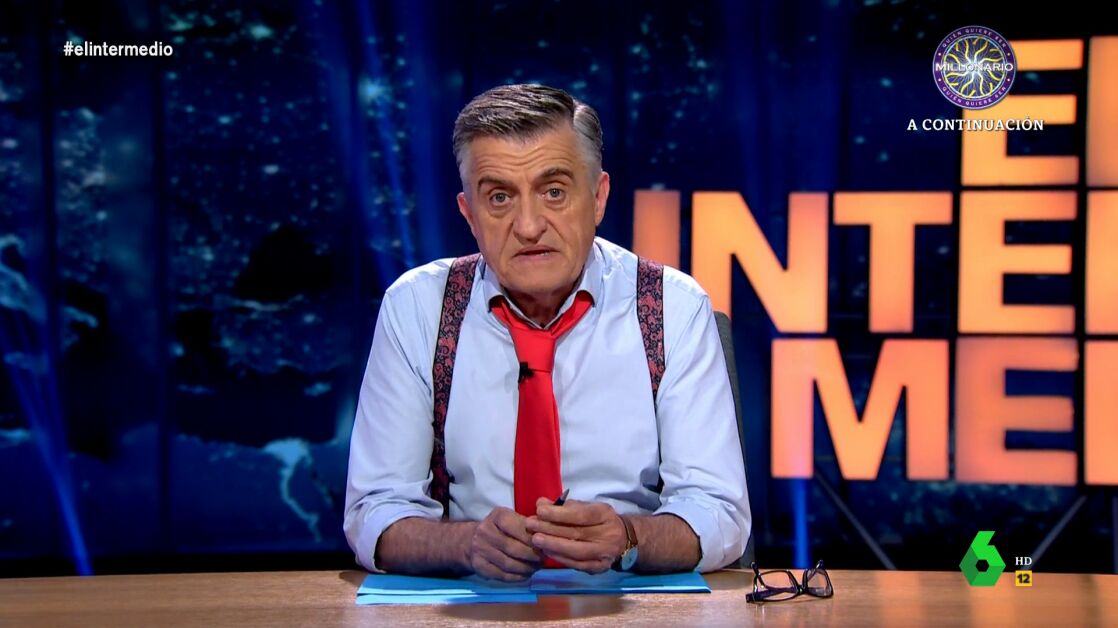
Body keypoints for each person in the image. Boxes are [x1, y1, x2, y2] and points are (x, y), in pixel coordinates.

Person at [344, 83, 750, 581]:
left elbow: (719, 513)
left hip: (630, 598)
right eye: (499, 198)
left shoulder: (672, 307)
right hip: (471, 600)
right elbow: (375, 511)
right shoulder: (418, 308)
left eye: (554, 192)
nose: (529, 225)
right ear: (469, 214)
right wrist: (467, 545)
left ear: (598, 198)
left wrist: (628, 537)